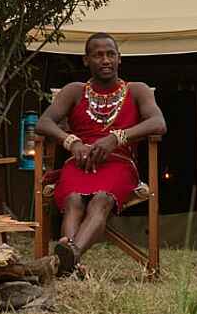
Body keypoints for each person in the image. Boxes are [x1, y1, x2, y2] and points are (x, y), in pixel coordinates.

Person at [35, 32, 167, 277]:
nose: (105, 60)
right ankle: (71, 264)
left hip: (118, 164)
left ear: (119, 59)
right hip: (79, 163)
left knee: (101, 200)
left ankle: (68, 257)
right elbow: (43, 123)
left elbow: (158, 123)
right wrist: (72, 142)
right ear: (86, 60)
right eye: (98, 55)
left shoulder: (137, 90)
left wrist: (116, 138)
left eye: (110, 54)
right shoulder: (74, 91)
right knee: (73, 200)